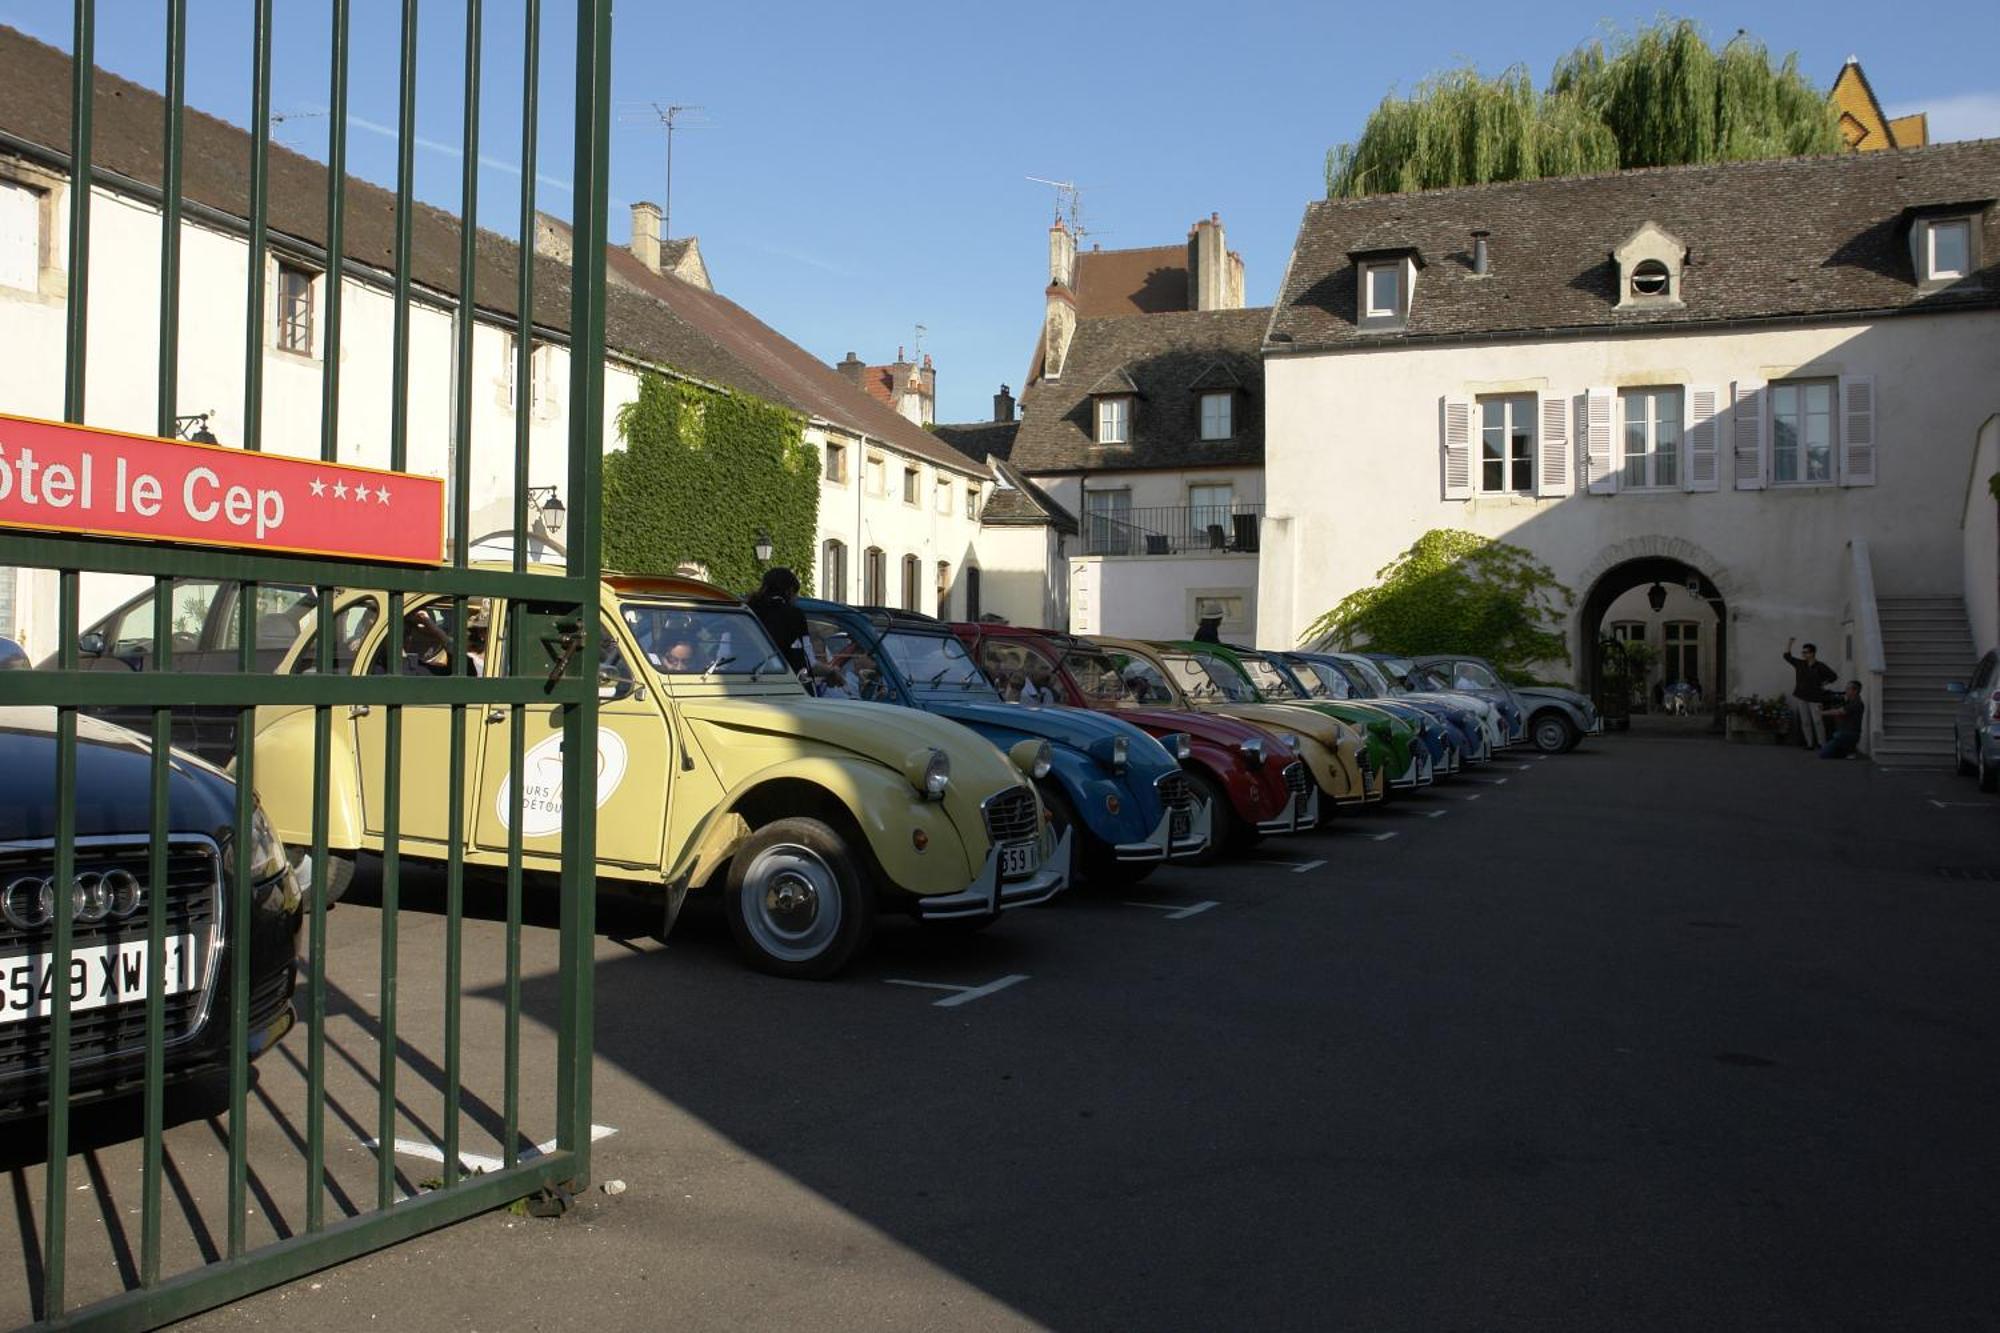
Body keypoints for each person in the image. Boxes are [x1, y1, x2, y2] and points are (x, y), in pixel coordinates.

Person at [1783, 638, 1838, 749]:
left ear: (1812, 653)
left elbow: (1833, 676)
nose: (1803, 654)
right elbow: (1787, 657)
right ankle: (1809, 744)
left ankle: (1822, 744)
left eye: (1806, 652)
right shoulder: (1800, 664)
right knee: (1805, 722)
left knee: (1818, 721)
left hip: (1815, 697)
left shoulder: (1820, 666)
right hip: (1801, 696)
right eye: (1802, 652)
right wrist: (1789, 643)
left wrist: (1824, 683)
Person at [1818, 681, 1866, 759]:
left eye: (1848, 689)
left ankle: (1848, 750)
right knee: (1834, 738)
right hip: (1843, 732)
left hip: (1849, 733)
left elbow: (1840, 712)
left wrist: (1822, 713)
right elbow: (1838, 709)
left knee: (1823, 754)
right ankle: (1848, 750)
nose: (1846, 690)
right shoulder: (1849, 701)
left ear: (1855, 691)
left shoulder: (1856, 703)